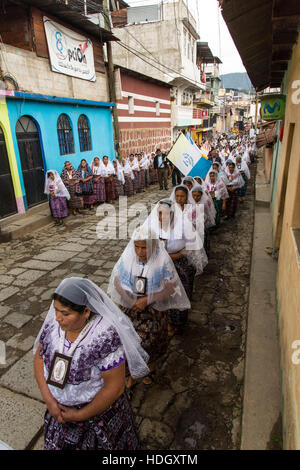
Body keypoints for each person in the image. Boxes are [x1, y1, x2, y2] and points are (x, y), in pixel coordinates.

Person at [33, 277, 149, 450]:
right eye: (56, 310)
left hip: (96, 416)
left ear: (86, 312)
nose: (58, 318)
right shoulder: (53, 325)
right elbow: (39, 357)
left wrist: (79, 415)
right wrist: (49, 400)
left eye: (65, 313)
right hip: (58, 411)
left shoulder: (104, 336)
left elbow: (114, 387)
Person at [108, 226, 190, 390]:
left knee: (152, 342)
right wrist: (129, 300)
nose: (140, 251)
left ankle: (149, 367)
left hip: (154, 312)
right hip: (130, 309)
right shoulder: (128, 258)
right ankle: (133, 375)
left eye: (144, 247)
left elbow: (171, 287)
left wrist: (148, 299)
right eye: (136, 247)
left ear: (153, 245)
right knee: (130, 341)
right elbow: (117, 282)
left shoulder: (162, 260)